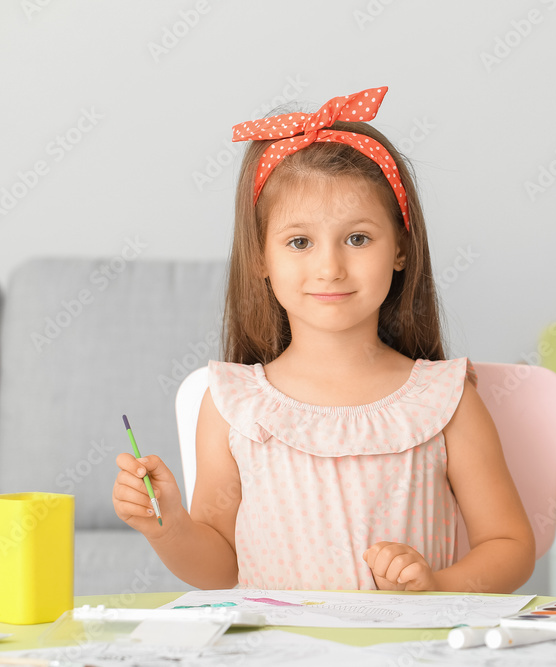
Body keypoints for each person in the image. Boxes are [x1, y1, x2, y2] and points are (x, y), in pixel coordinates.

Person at [113, 87, 534, 593]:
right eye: (299, 242)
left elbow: (510, 546)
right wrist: (169, 526)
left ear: (401, 247)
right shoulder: (230, 403)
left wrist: (436, 586)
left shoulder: (446, 400)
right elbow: (223, 570)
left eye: (358, 239)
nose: (330, 267)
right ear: (261, 260)